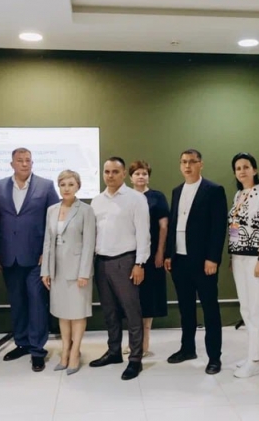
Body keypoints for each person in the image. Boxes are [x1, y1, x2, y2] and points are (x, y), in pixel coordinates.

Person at [0, 148, 59, 371]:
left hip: (37, 256)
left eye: (28, 160)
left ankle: (38, 350)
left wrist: (48, 252)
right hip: (9, 256)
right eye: (19, 160)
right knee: (17, 302)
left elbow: (54, 220)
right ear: (12, 164)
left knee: (37, 302)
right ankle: (22, 343)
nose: (24, 164)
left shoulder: (46, 186)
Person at [165, 149, 227, 375]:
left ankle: (214, 357)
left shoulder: (214, 190)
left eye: (192, 162)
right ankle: (187, 348)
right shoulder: (177, 191)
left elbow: (218, 227)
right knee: (186, 308)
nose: (187, 166)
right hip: (180, 260)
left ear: (201, 164)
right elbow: (174, 224)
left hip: (203, 262)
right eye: (183, 162)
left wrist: (213, 258)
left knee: (210, 309)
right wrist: (169, 254)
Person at [90, 157, 150, 380]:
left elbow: (143, 233)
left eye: (115, 171)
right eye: (107, 171)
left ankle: (135, 359)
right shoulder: (97, 201)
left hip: (125, 261)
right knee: (109, 312)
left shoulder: (136, 199)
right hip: (101, 262)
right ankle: (114, 352)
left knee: (132, 312)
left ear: (124, 174)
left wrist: (140, 263)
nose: (110, 175)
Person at [41, 170, 95, 375]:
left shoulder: (86, 210)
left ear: (78, 186)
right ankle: (65, 350)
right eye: (63, 185)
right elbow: (47, 241)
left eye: (71, 184)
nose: (66, 188)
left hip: (78, 270)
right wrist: (45, 270)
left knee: (77, 312)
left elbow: (89, 243)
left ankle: (75, 352)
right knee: (62, 312)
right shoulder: (52, 210)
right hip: (57, 269)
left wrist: (84, 272)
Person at [227, 153, 259, 378]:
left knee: (257, 308)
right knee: (246, 308)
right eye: (238, 168)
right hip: (239, 257)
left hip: (256, 258)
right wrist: (232, 256)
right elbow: (235, 227)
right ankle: (255, 353)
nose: (242, 171)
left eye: (246, 167)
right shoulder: (239, 195)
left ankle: (255, 362)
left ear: (254, 170)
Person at [128, 160, 169, 356]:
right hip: (129, 254)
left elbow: (163, 226)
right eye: (137, 173)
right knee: (131, 298)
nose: (141, 176)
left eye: (144, 173)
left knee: (148, 298)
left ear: (148, 176)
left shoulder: (157, 197)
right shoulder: (126, 197)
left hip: (152, 256)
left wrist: (160, 252)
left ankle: (144, 342)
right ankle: (134, 342)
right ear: (130, 177)